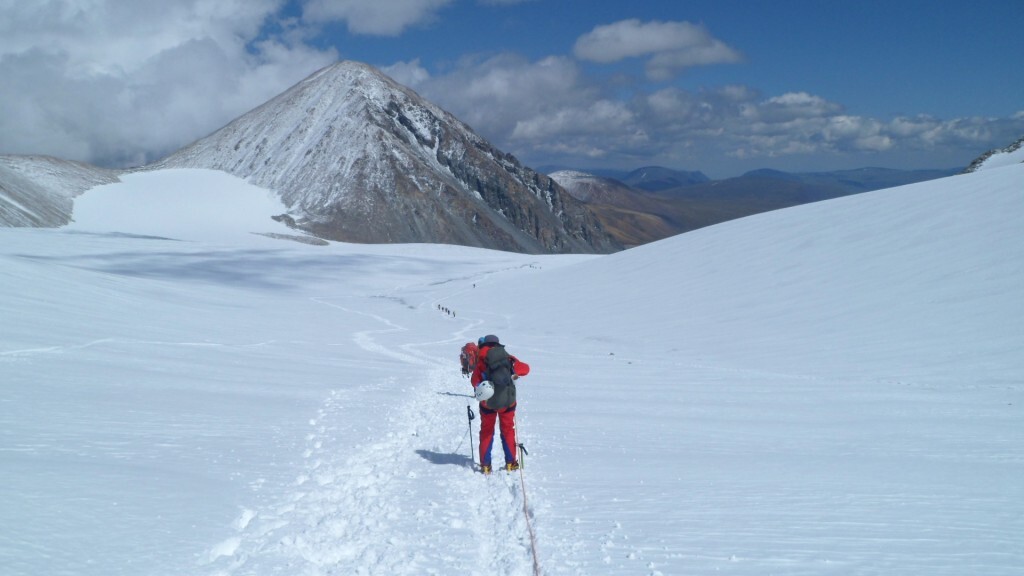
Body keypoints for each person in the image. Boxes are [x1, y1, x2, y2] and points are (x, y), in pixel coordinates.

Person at [470, 334, 529, 474]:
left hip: (487, 404)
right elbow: (526, 369)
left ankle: (485, 466)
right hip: (507, 403)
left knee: (487, 431)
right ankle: (511, 463)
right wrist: (513, 371)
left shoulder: (481, 361)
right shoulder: (507, 358)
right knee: (508, 430)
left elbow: (474, 382)